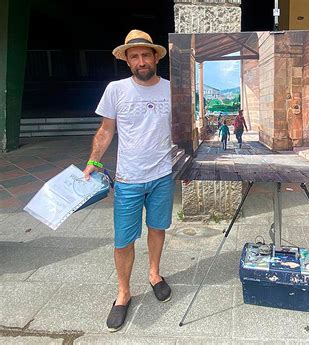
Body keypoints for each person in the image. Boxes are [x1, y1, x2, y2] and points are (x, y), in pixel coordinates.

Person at [82, 29, 174, 332]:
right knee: (123, 240)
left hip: (162, 174)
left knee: (157, 228)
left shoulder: (172, 89)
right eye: (134, 56)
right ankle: (123, 293)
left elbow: (185, 129)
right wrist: (94, 161)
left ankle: (154, 274)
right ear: (127, 60)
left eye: (146, 54)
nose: (141, 60)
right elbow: (106, 129)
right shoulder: (116, 89)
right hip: (128, 178)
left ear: (155, 57)